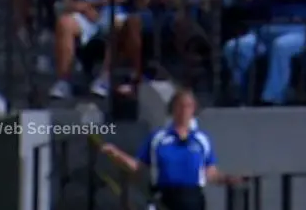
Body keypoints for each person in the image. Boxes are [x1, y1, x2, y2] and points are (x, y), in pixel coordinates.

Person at [100, 89, 240, 210]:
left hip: (192, 199)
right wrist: (116, 153)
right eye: (181, 106)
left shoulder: (201, 139)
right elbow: (138, 166)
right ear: (173, 108)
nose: (184, 110)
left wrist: (226, 179)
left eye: (188, 106)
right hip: (164, 197)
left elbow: (210, 172)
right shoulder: (158, 138)